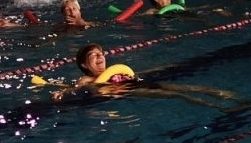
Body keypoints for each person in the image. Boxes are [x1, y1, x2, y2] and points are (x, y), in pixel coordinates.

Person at [60, 43, 235, 107]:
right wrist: (63, 92)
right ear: (84, 64)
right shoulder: (87, 78)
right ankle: (218, 106)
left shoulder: (114, 70)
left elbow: (135, 74)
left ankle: (225, 96)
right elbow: (76, 87)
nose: (100, 57)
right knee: (176, 94)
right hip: (128, 90)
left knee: (190, 87)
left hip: (139, 83)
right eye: (93, 55)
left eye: (101, 53)